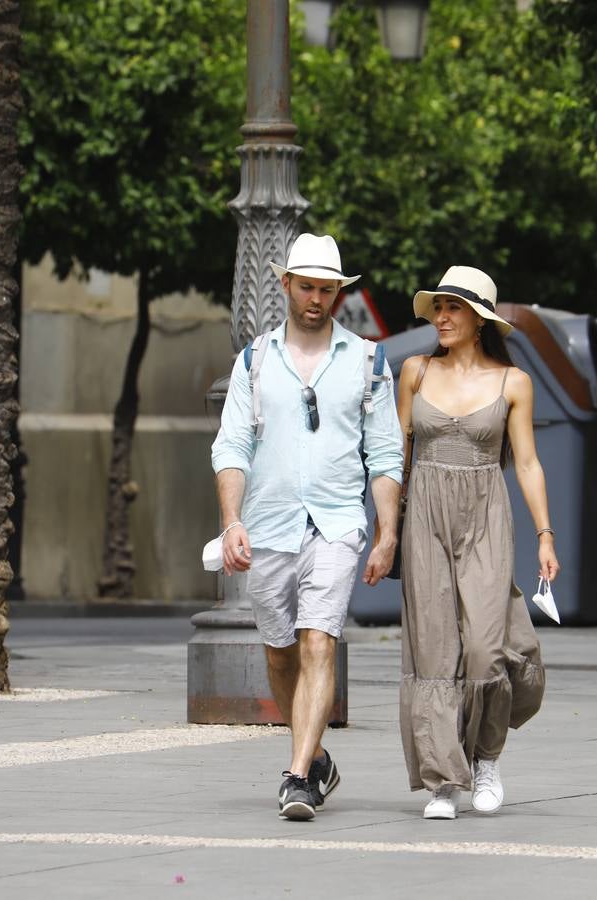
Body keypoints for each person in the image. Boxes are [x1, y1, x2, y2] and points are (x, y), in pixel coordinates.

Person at [211, 233, 403, 822]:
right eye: (307, 286)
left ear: (339, 292)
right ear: (286, 285)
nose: (317, 298)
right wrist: (231, 522)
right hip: (267, 525)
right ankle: (316, 753)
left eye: (327, 289)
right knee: (280, 650)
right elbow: (232, 445)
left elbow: (386, 453)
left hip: (339, 522)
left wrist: (387, 532)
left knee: (319, 638)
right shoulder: (255, 360)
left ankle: (297, 778)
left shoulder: (369, 361)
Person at [396, 265, 556, 820]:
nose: (440, 316)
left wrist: (544, 534)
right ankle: (444, 779)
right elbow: (399, 458)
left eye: (452, 308)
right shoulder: (415, 373)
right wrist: (387, 530)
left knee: (488, 648)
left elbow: (528, 463)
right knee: (435, 649)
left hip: (487, 513)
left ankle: (486, 759)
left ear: (479, 319)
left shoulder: (513, 383)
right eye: (437, 306)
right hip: (427, 518)